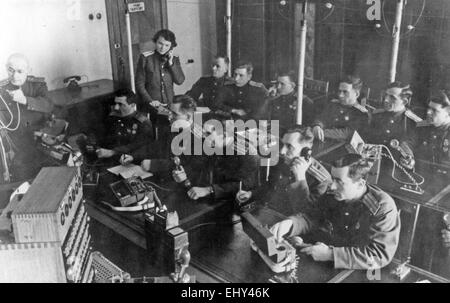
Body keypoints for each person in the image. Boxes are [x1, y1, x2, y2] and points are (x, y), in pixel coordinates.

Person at [270, 153, 400, 270]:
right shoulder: (335, 193)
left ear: (360, 184)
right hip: (331, 258)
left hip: (360, 268)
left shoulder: (382, 207)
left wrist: (331, 254)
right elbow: (312, 217)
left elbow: (378, 255)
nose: (332, 186)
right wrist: (291, 224)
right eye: (333, 179)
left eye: (339, 182)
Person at [236, 126, 331, 215]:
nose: (282, 151)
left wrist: (300, 178)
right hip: (268, 211)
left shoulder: (322, 179)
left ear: (306, 151)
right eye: (282, 144)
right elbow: (271, 187)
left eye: (289, 147)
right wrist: (251, 194)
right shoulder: (283, 160)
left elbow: (306, 215)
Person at [171, 119, 260, 201]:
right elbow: (198, 168)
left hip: (230, 202)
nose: (204, 137)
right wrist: (183, 176)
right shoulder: (211, 145)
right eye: (203, 133)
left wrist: (209, 190)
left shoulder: (247, 152)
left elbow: (246, 185)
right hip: (207, 198)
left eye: (208, 134)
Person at [0, 53, 54, 182]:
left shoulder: (37, 85)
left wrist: (25, 100)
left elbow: (48, 106)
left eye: (20, 71)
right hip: (17, 142)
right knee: (21, 175)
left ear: (28, 70)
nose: (15, 76)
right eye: (11, 70)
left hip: (40, 139)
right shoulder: (2, 89)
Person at [88, 89, 153, 165]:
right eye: (115, 103)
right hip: (110, 159)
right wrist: (93, 144)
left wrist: (113, 152)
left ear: (132, 105)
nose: (116, 108)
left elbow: (140, 147)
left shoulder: (143, 122)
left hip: (131, 161)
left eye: (121, 104)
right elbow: (102, 135)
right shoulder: (112, 117)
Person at [366, 82, 420, 169]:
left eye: (392, 97)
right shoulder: (376, 115)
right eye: (386, 95)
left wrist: (409, 159)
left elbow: (410, 144)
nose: (386, 100)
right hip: (373, 166)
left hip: (397, 169)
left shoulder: (413, 122)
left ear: (404, 101)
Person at [135, 29, 185, 121]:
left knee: (175, 123)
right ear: (155, 42)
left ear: (171, 46)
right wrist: (151, 101)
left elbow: (180, 81)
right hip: (151, 104)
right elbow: (139, 84)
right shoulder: (146, 58)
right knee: (161, 124)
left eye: (167, 45)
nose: (163, 48)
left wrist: (171, 63)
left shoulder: (174, 59)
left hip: (170, 104)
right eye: (160, 43)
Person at [312, 75, 369, 142]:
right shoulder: (333, 104)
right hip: (324, 140)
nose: (340, 95)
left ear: (356, 94)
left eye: (345, 92)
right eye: (339, 91)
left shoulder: (361, 113)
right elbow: (322, 118)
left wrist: (320, 132)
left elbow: (346, 133)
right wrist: (317, 126)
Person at [415, 90, 450, 165]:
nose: (428, 112)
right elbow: (409, 143)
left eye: (434, 110)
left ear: (448, 113)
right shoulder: (421, 125)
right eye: (429, 108)